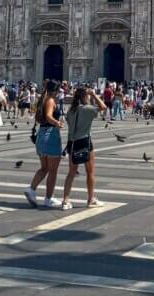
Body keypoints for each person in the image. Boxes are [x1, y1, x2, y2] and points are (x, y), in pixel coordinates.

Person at [61, 86, 107, 210]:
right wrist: (94, 95)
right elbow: (103, 107)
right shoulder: (87, 109)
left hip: (72, 143)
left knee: (71, 172)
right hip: (85, 142)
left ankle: (65, 200)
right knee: (90, 172)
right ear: (84, 97)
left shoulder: (70, 111)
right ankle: (91, 199)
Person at [26, 79, 64, 209]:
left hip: (42, 135)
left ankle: (31, 189)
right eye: (58, 91)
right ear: (55, 91)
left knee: (45, 168)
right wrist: (57, 123)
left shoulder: (43, 100)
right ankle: (48, 198)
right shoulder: (50, 100)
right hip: (50, 136)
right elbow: (48, 116)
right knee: (53, 170)